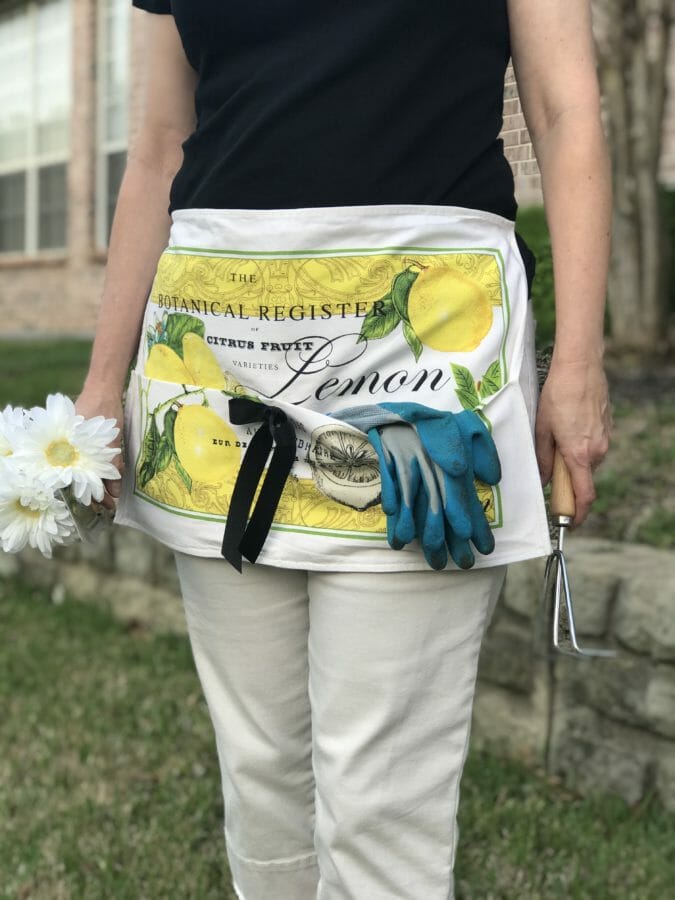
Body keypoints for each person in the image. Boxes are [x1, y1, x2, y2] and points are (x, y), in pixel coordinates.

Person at [75, 1, 612, 896]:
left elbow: (565, 113)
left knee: (381, 803)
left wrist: (580, 366)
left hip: (423, 371)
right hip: (215, 374)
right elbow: (164, 141)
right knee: (259, 777)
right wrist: (103, 382)